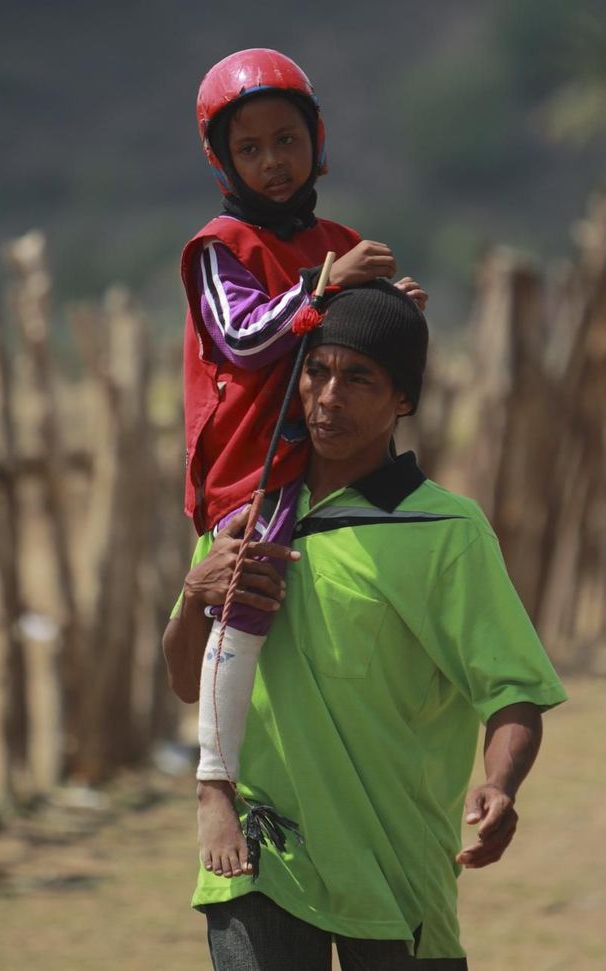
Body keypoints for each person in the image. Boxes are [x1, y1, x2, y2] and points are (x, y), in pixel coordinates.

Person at [163, 280, 567, 969]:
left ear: (403, 398)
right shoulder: (248, 515)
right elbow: (183, 678)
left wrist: (501, 785)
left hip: (394, 868)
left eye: (358, 378)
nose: (327, 397)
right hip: (263, 850)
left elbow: (512, 691)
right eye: (315, 371)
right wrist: (194, 587)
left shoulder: (444, 529)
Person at [181, 47, 427, 874]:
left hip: (337, 455)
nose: (272, 162)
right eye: (249, 149)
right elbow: (243, 338)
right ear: (223, 162)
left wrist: (389, 311)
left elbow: (353, 337)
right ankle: (215, 780)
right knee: (247, 594)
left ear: (316, 139)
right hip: (256, 469)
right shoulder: (222, 246)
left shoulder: (337, 242)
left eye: (285, 139)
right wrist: (328, 288)